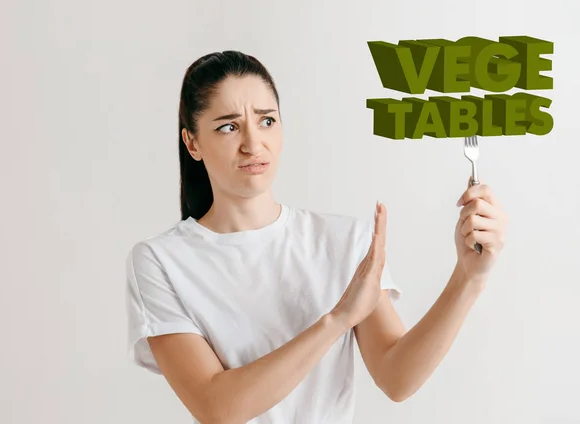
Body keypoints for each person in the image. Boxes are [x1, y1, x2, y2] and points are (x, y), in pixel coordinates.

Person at [125, 50, 509, 424]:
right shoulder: (161, 261)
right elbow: (217, 407)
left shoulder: (343, 241)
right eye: (229, 126)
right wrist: (338, 319)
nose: (253, 143)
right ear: (192, 142)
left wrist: (469, 278)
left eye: (267, 121)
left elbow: (397, 378)